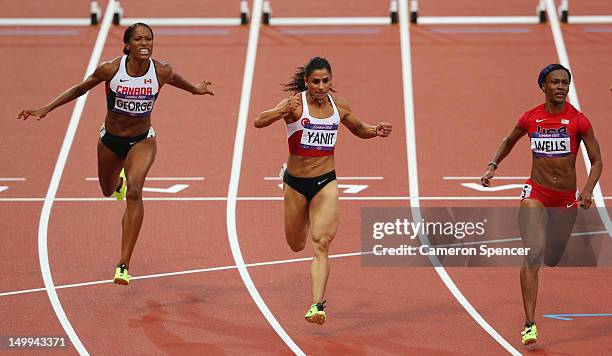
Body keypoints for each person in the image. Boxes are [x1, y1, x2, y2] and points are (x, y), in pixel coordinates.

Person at [17, 22, 214, 286]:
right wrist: (45, 109)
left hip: (143, 141)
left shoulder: (161, 70)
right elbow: (79, 88)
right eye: (139, 40)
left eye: (149, 39)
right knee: (108, 189)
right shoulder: (111, 69)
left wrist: (196, 89)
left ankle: (123, 264)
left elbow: (175, 79)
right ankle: (118, 182)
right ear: (128, 45)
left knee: (135, 192)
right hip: (110, 140)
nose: (144, 44)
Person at [254, 57, 392, 325]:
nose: (320, 86)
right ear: (306, 82)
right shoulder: (295, 105)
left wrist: (375, 130)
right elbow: (259, 122)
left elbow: (359, 129)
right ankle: (289, 184)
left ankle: (316, 305)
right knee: (296, 244)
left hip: (326, 181)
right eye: (315, 82)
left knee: (322, 243)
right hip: (295, 183)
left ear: (331, 81)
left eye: (325, 81)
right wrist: (280, 110)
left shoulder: (338, 107)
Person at [481, 64, 602, 345]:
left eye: (565, 83)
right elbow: (509, 140)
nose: (561, 87)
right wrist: (492, 165)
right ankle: (530, 323)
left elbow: (597, 161)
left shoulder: (579, 121)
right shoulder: (530, 118)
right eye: (555, 82)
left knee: (552, 257)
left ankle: (547, 255)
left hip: (566, 198)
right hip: (536, 192)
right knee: (534, 254)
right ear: (543, 87)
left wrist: (587, 190)